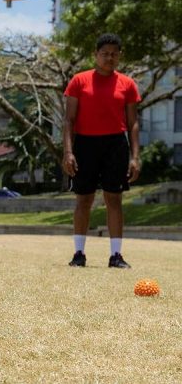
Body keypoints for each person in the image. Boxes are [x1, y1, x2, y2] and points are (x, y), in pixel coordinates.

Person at [62, 33, 140, 268]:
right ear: (95, 55)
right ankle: (79, 253)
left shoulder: (127, 84)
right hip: (85, 144)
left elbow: (133, 123)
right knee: (83, 199)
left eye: (114, 54)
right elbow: (68, 120)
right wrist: (68, 152)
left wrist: (135, 157)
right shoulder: (79, 81)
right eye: (104, 53)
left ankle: (116, 255)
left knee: (113, 199)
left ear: (120, 56)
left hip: (116, 144)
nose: (109, 58)